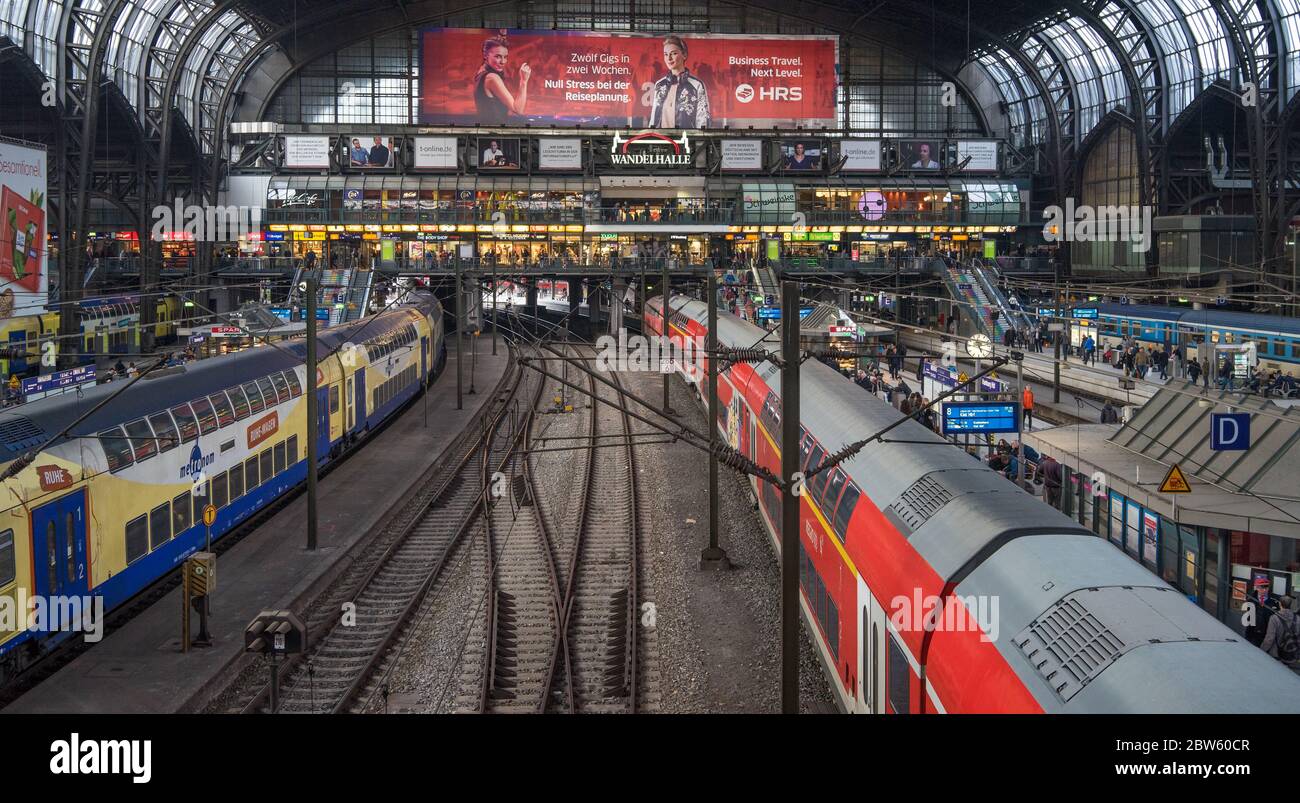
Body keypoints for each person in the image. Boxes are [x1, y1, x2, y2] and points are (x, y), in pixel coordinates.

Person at [648, 35, 710, 128]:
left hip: (686, 140)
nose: (669, 58)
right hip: (662, 140)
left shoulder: (696, 85)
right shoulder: (660, 85)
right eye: (665, 54)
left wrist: (698, 142)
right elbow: (653, 119)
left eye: (673, 53)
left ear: (684, 55)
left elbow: (703, 121)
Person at [473, 36, 531, 125]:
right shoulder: (492, 78)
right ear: (485, 55)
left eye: (505, 57)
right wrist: (524, 81)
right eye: (498, 56)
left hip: (488, 130)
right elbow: (518, 110)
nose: (503, 61)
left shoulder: (481, 70)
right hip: (495, 132)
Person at [1260, 595, 1299, 662]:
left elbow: (1269, 639)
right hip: (1292, 654)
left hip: (1276, 654)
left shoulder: (1274, 618)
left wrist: (1261, 650)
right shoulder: (1298, 618)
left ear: (1279, 604)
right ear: (1290, 605)